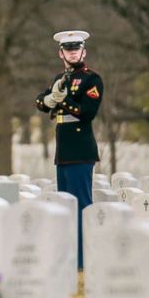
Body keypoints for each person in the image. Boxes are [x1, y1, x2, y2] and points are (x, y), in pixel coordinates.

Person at [35, 30, 103, 269]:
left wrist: (62, 101)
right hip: (63, 151)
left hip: (80, 149)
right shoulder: (58, 79)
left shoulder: (91, 79)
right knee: (66, 206)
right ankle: (72, 258)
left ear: (83, 51)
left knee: (81, 205)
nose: (72, 53)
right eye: (68, 49)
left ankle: (84, 260)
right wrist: (50, 100)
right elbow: (40, 102)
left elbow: (87, 112)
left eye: (76, 49)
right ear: (60, 53)